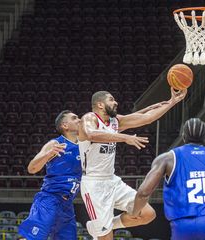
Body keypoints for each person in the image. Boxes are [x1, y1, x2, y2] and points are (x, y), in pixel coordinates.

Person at [78, 88, 187, 239]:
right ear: (100, 104)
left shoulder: (115, 122)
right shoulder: (90, 118)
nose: (115, 102)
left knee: (147, 213)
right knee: (106, 237)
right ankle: (102, 229)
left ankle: (104, 226)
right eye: (111, 99)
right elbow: (91, 134)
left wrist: (172, 102)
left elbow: (146, 118)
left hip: (112, 180)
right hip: (94, 184)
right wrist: (124, 138)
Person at [132, 118, 205, 240]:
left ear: (183, 136)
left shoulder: (168, 158)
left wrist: (134, 214)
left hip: (183, 223)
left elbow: (143, 193)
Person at [18, 110, 81, 240]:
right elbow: (32, 168)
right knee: (33, 238)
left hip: (67, 204)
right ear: (65, 125)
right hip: (49, 200)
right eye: (74, 118)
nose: (79, 120)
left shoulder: (84, 145)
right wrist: (48, 154)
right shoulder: (55, 144)